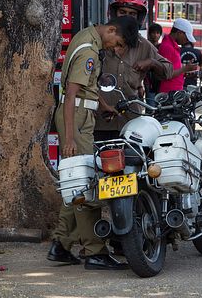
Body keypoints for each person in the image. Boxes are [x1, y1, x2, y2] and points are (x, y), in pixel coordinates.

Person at [48, 16, 139, 270]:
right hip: (74, 117)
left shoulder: (88, 38)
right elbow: (71, 93)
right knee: (86, 184)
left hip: (81, 114)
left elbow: (87, 88)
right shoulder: (89, 50)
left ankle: (61, 244)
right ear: (111, 30)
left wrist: (105, 106)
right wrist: (68, 138)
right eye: (116, 42)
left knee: (76, 183)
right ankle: (94, 251)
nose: (114, 48)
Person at [94, 0, 174, 141]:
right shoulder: (97, 41)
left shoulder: (143, 45)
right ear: (113, 14)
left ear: (139, 18)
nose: (127, 17)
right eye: (122, 12)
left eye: (132, 14)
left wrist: (152, 62)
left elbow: (169, 70)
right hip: (98, 121)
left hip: (131, 124)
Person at [157, 18, 200, 93]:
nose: (187, 40)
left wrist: (185, 73)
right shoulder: (167, 47)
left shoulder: (172, 46)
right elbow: (166, 74)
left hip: (174, 91)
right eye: (186, 37)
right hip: (169, 92)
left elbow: (173, 71)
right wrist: (185, 69)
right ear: (179, 33)